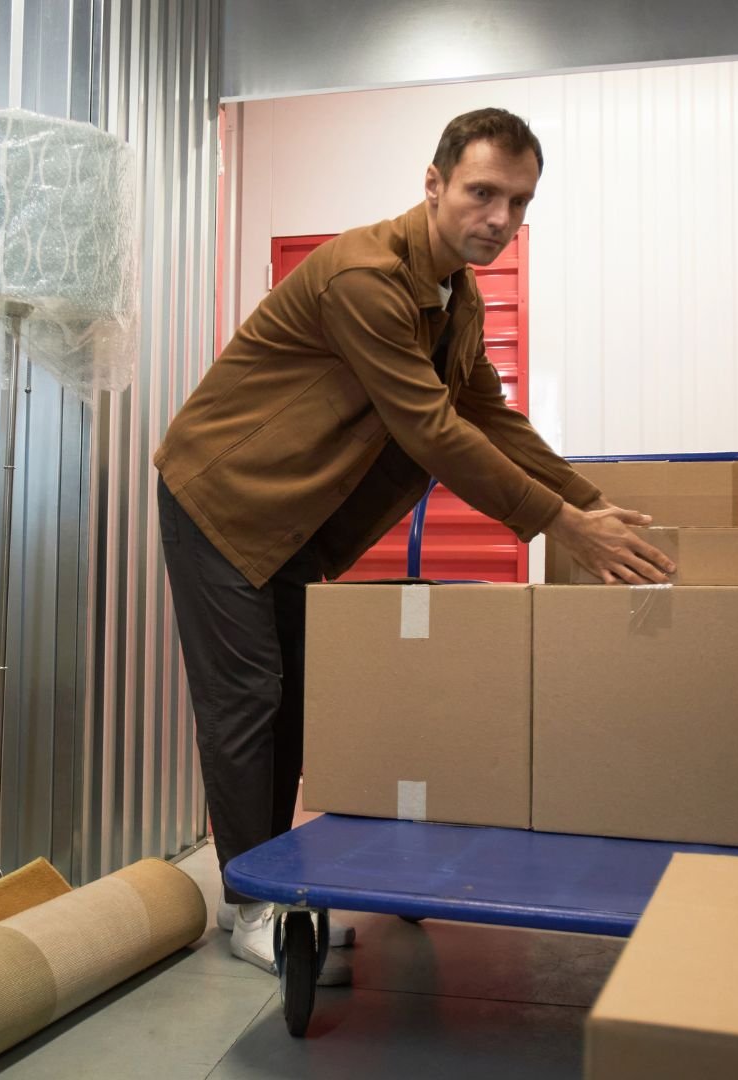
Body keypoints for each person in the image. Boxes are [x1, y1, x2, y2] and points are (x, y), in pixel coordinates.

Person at [153, 108, 674, 980]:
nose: (499, 219)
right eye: (482, 193)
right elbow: (432, 431)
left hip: (294, 517)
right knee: (248, 701)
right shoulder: (366, 276)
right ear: (433, 185)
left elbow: (489, 414)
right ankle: (249, 906)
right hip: (222, 498)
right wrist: (558, 524)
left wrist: (592, 504)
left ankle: (271, 887)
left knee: (290, 700)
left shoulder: (455, 298)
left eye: (519, 202)